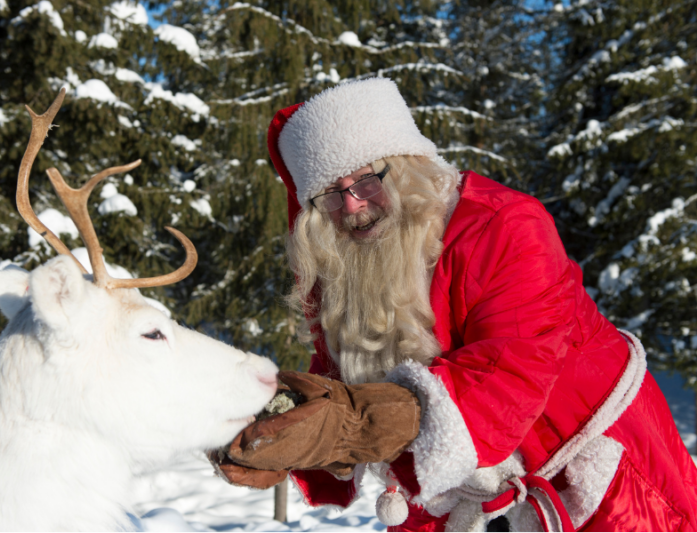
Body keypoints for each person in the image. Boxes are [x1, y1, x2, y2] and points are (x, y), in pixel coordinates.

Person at [211, 78, 697, 531]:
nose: (353, 206)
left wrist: (348, 426)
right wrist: (275, 433)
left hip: (589, 478)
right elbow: (341, 388)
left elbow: (506, 376)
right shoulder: (348, 269)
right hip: (459, 494)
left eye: (365, 180)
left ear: (404, 165)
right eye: (331, 196)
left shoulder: (508, 226)